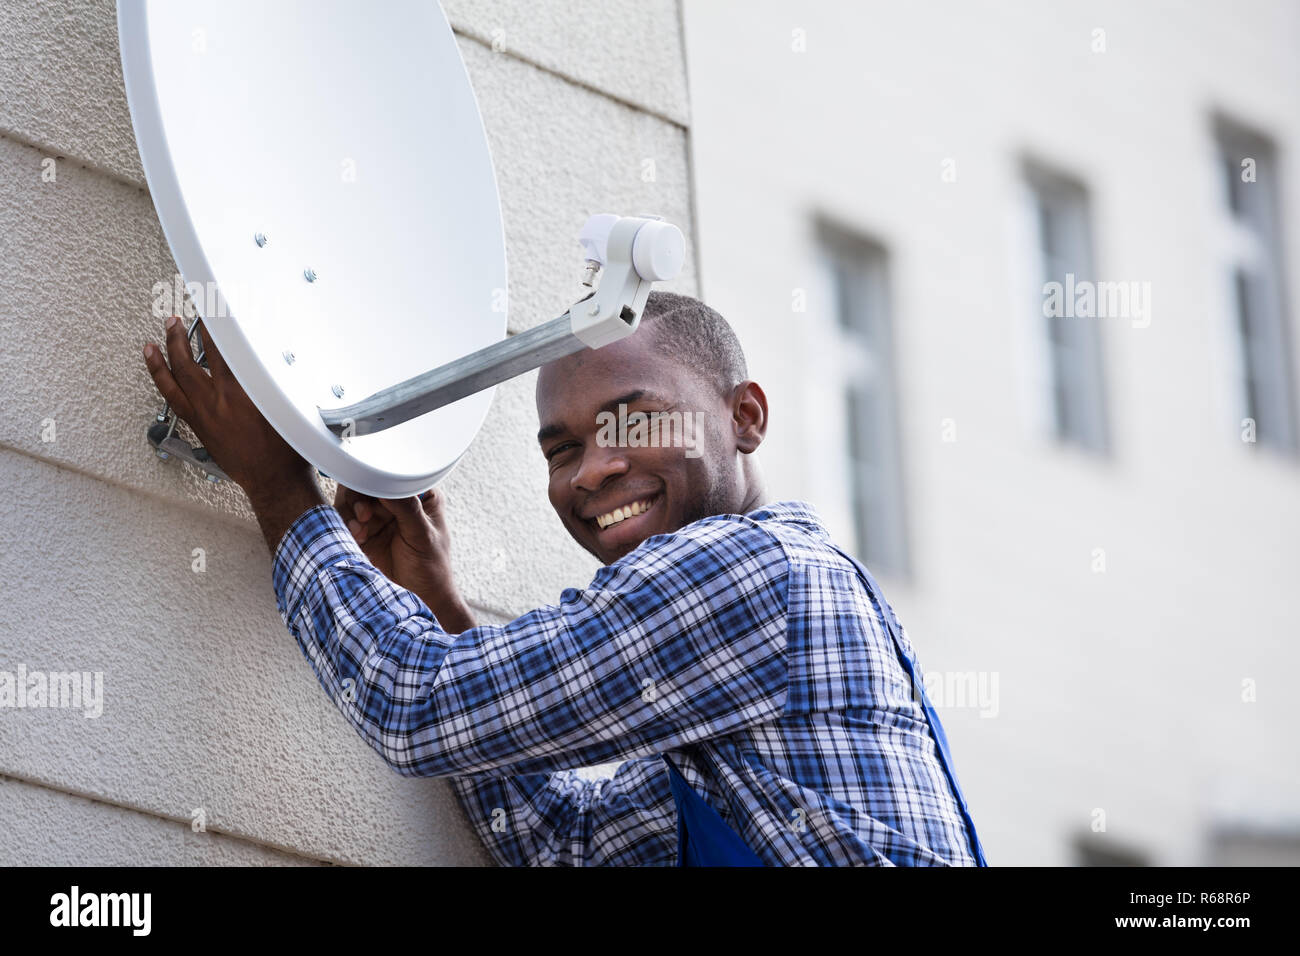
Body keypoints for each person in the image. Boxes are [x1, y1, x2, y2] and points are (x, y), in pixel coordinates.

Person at [141, 290, 986, 866]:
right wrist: (440, 605)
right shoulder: (716, 716)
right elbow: (562, 845)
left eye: (635, 418)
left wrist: (282, 493)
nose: (591, 471)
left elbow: (415, 704)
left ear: (745, 417)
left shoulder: (752, 577)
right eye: (563, 449)